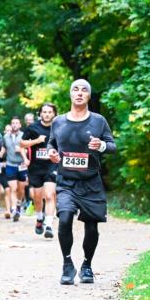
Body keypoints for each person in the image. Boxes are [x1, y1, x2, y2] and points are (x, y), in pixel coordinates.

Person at [47, 79, 117, 285]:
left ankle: (87, 265)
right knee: (65, 217)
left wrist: (102, 145)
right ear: (70, 94)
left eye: (84, 90)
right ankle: (67, 263)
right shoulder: (58, 121)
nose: (79, 93)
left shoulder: (98, 121)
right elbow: (52, 142)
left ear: (88, 96)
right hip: (66, 181)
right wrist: (52, 152)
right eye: (75, 89)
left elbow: (112, 146)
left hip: (91, 181)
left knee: (92, 227)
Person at [21, 103, 59, 239]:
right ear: (40, 113)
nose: (47, 114)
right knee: (37, 197)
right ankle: (39, 218)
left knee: (50, 195)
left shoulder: (59, 127)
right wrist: (36, 140)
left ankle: (48, 225)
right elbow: (22, 144)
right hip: (35, 167)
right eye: (44, 112)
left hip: (52, 165)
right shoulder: (33, 127)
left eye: (50, 112)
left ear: (54, 114)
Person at [1, 116, 28, 221]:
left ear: (20, 125)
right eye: (13, 123)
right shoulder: (6, 137)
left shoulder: (24, 135)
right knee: (13, 188)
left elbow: (29, 150)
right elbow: (3, 148)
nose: (15, 125)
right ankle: (13, 209)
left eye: (17, 123)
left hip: (21, 165)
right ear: (11, 125)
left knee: (21, 189)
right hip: (10, 164)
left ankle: (18, 206)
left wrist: (22, 150)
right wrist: (1, 152)